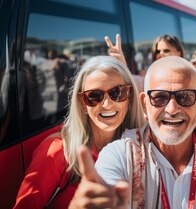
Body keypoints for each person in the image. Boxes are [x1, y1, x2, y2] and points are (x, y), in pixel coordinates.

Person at [69, 56, 196, 208]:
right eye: (159, 98)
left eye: (185, 97)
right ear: (144, 104)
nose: (172, 109)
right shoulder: (119, 156)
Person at [14, 56, 145, 208]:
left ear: (129, 97)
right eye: (94, 96)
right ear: (83, 103)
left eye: (117, 92)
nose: (107, 104)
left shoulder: (142, 148)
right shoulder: (57, 151)